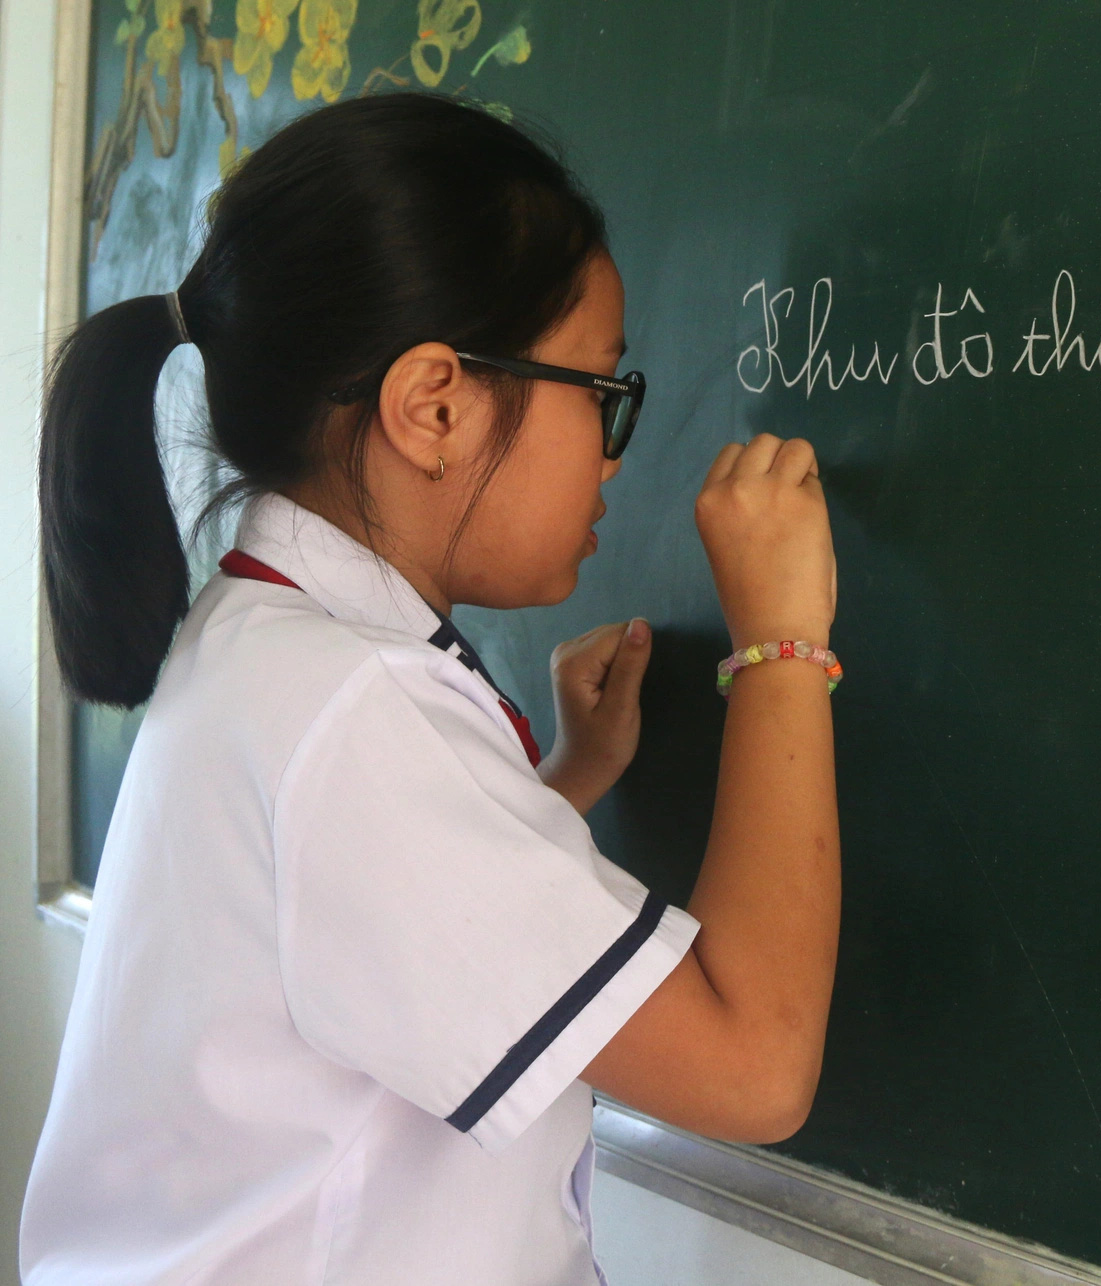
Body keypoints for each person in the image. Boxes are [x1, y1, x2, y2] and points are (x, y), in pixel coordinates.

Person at [19, 91, 840, 1284]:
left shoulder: (265, 647)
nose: (615, 452)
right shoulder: (352, 713)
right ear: (435, 406)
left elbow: (361, 945)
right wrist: (781, 642)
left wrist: (555, 788)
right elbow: (755, 1064)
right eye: (601, 392)